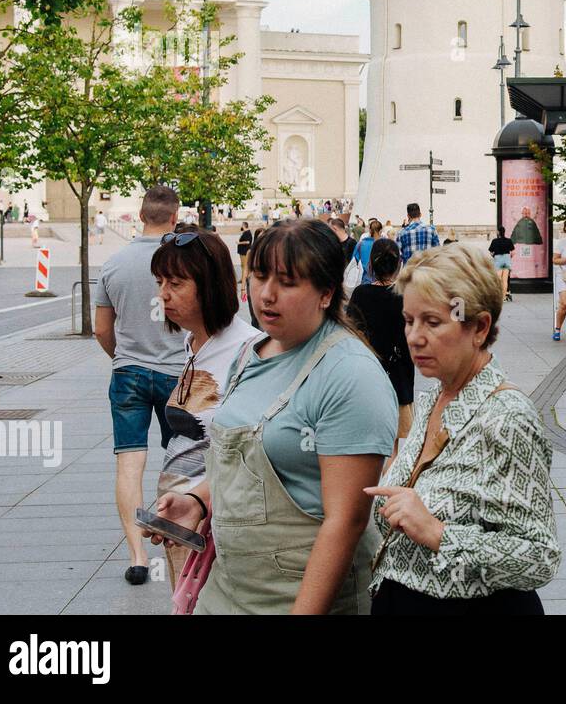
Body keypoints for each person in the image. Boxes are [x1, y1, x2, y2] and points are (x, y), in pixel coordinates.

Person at [147, 219, 397, 614]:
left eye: (288, 281)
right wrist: (197, 500)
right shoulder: (250, 354)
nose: (267, 294)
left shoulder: (350, 374)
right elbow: (236, 465)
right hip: (227, 590)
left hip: (295, 597)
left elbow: (346, 521)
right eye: (260, 276)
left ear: (326, 293)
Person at [365, 243, 560, 614]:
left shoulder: (507, 416)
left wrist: (439, 534)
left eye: (433, 322)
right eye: (409, 321)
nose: (414, 337)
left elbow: (540, 556)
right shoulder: (433, 400)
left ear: (480, 327)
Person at [151, 225, 260, 585]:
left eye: (176, 284)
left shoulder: (248, 351)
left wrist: (200, 501)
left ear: (209, 285)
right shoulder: (192, 342)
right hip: (181, 519)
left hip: (213, 522)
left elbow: (250, 448)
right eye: (160, 283)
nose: (163, 295)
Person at [93, 185, 187, 585]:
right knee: (181, 460)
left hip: (129, 371)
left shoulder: (114, 264)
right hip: (177, 372)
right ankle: (176, 542)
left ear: (140, 214)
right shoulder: (182, 263)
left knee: (129, 464)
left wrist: (122, 355)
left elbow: (101, 328)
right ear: (173, 217)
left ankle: (136, 557)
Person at [346, 238, 416, 444]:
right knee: (394, 445)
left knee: (373, 444)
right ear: (399, 264)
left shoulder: (360, 294)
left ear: (371, 265)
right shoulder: (406, 295)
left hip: (367, 378)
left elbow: (350, 331)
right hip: (400, 377)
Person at [488, 225, 516, 302]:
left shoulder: (494, 241)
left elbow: (491, 252)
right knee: (505, 280)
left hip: (498, 259)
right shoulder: (509, 240)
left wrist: (494, 256)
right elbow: (513, 252)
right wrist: (508, 258)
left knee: (498, 279)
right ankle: (503, 298)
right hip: (506, 260)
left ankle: (498, 297)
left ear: (498, 232)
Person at [353, 218, 383, 284]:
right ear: (380, 231)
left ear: (369, 230)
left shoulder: (360, 244)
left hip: (363, 281)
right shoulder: (385, 245)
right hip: (381, 282)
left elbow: (354, 262)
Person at [236, 222, 253, 299]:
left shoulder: (247, 233)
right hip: (242, 251)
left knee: (244, 266)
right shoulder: (245, 232)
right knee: (242, 265)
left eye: (242, 225)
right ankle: (243, 278)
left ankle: (244, 278)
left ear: (244, 226)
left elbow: (248, 242)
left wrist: (239, 242)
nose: (241, 226)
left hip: (244, 251)